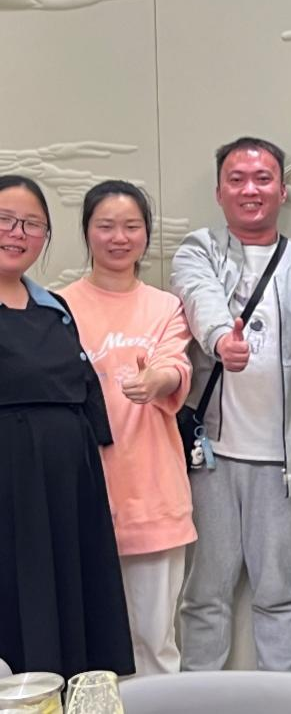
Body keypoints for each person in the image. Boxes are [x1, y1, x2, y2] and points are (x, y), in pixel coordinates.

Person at [172, 137, 291, 672]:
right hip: (211, 459)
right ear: (219, 191)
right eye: (237, 179)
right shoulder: (199, 248)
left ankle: (279, 698)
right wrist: (222, 339)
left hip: (287, 460)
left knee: (279, 594)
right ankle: (199, 700)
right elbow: (200, 296)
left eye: (263, 178)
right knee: (204, 594)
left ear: (282, 191)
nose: (250, 189)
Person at [0, 175, 134, 677]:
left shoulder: (55, 309)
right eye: (5, 220)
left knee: (73, 609)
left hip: (70, 487)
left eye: (32, 224)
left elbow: (85, 391)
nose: (18, 233)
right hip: (9, 486)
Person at [62, 180, 194, 675]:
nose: (119, 238)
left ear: (146, 234)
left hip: (152, 494)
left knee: (155, 642)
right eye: (106, 226)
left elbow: (176, 366)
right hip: (81, 494)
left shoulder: (166, 307)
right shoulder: (56, 307)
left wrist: (158, 380)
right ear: (87, 232)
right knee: (88, 644)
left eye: (131, 227)